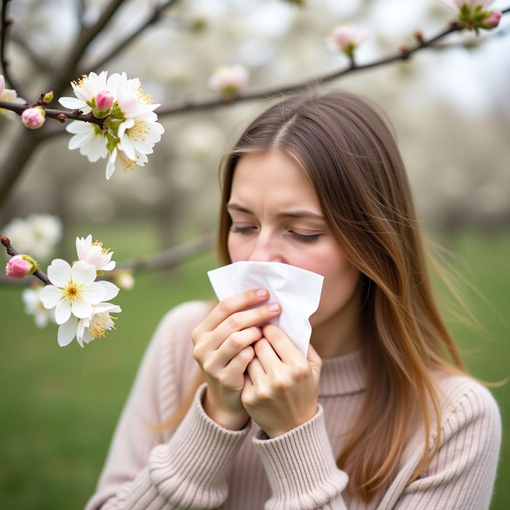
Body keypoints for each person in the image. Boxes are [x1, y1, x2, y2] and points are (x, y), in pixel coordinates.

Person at [85, 89, 501, 510]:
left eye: (302, 232)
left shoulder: (454, 418)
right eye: (243, 225)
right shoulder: (184, 341)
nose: (259, 257)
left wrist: (294, 434)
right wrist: (214, 419)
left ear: (373, 243)